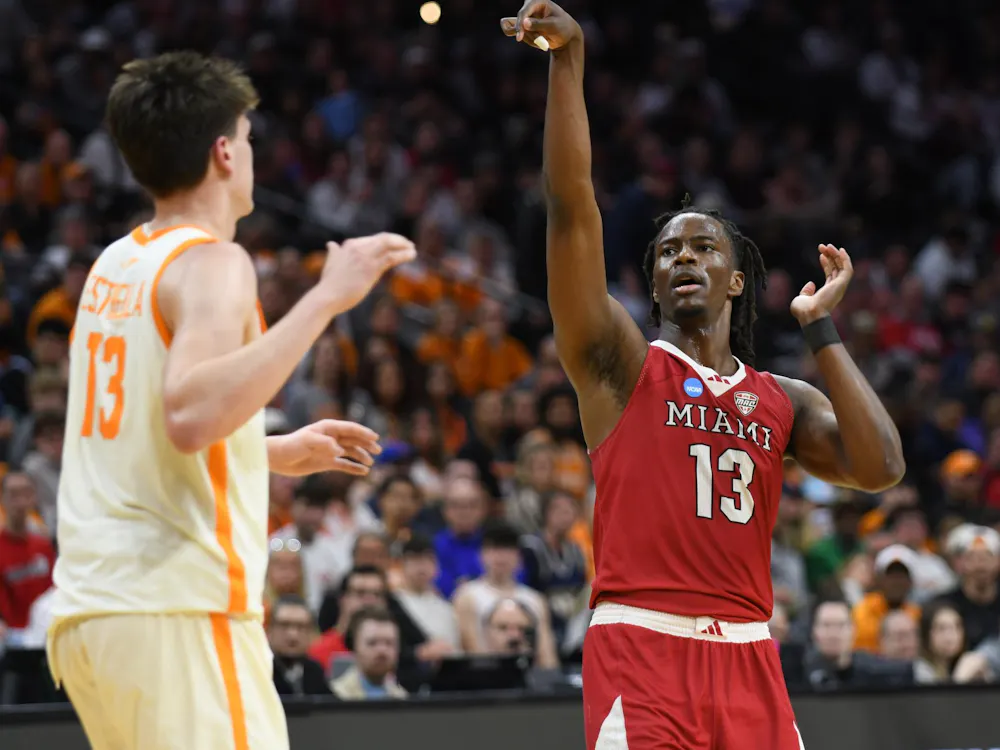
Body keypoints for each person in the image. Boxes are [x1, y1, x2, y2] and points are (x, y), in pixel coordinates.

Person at [501, 3, 905, 748]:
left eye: (702, 248)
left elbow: (881, 466)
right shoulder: (621, 364)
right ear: (651, 285)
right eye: (666, 251)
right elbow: (570, 211)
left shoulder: (782, 398)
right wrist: (569, 60)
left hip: (751, 651)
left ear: (737, 281)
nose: (683, 257)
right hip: (642, 646)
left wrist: (819, 330)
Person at [46, 51, 415, 750]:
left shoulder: (114, 264)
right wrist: (326, 300)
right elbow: (188, 417)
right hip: (180, 611)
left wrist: (266, 450)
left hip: (95, 617)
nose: (250, 153)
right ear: (222, 151)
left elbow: (138, 429)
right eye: (246, 138)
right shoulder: (215, 261)